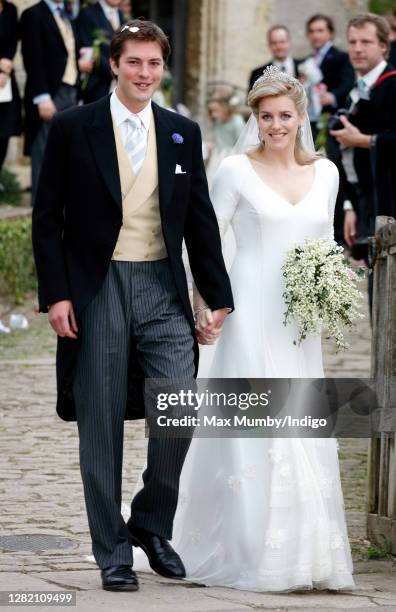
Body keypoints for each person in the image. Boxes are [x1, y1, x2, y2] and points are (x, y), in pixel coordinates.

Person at [133, 66, 355, 591]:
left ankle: (311, 553)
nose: (275, 125)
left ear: (301, 118)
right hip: (249, 312)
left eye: (284, 116)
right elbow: (204, 242)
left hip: (300, 320)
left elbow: (326, 244)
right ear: (254, 119)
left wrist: (329, 290)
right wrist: (203, 302)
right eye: (265, 116)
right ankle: (254, 552)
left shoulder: (325, 173)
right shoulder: (234, 170)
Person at [31, 19, 233, 592]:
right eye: (135, 62)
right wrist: (58, 295)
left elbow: (199, 217)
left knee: (178, 410)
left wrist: (215, 295)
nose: (145, 73)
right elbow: (47, 219)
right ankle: (112, 551)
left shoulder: (181, 132)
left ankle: (148, 521)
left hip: (162, 287)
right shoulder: (75, 128)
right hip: (97, 288)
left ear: (162, 68)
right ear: (115, 64)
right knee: (100, 423)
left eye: (154, 63)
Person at [330, 14, 396, 259]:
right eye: (353, 42)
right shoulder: (353, 94)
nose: (357, 49)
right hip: (366, 206)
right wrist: (350, 207)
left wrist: (367, 141)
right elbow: (347, 157)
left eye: (366, 42)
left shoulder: (392, 86)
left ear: (383, 46)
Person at [20, 0, 80, 205]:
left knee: (67, 153)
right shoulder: (32, 14)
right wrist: (42, 96)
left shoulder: (68, 14)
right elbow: (32, 58)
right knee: (44, 153)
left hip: (70, 90)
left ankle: (62, 209)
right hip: (49, 94)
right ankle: (40, 209)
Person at [305, 13, 355, 244]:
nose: (316, 35)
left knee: (333, 172)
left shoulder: (342, 57)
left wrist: (331, 96)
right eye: (312, 31)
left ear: (330, 33)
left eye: (320, 30)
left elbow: (347, 83)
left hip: (332, 125)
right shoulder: (306, 61)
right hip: (311, 125)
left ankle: (337, 233)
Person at [77, 0, 125, 104]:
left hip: (119, 86)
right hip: (96, 85)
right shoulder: (88, 13)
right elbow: (88, 48)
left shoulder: (121, 15)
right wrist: (117, 72)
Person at [0, 0, 21, 177]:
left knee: (4, 132)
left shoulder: (10, 9)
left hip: (4, 80)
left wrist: (5, 66)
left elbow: (13, 40)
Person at [205, 93, 245, 185]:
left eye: (216, 110)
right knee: (211, 179)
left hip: (230, 155)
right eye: (211, 111)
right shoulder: (217, 121)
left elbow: (241, 143)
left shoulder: (237, 122)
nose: (214, 114)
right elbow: (216, 137)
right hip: (217, 155)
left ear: (225, 108)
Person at [249, 25, 300, 91]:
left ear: (289, 42)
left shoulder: (304, 66)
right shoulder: (257, 74)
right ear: (269, 45)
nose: (278, 46)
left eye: (282, 42)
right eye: (274, 43)